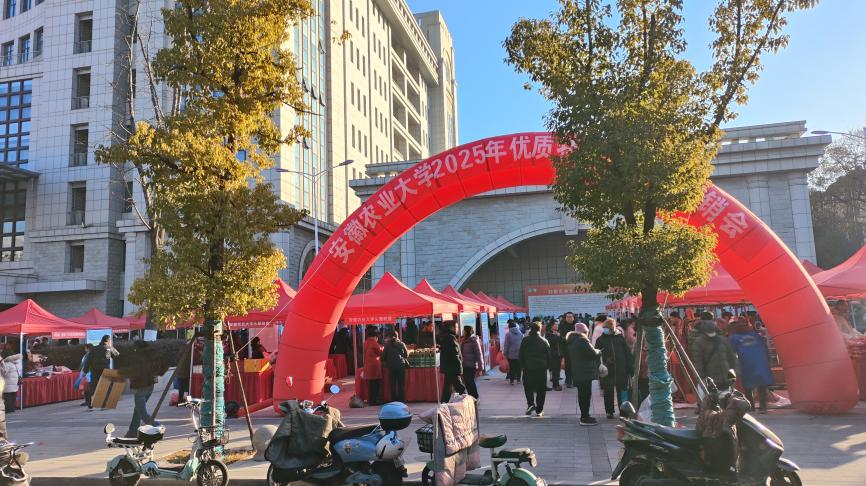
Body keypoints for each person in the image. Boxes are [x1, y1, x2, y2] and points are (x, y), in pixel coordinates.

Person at [120, 341, 166, 438]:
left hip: (141, 386)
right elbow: (163, 365)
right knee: (138, 410)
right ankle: (132, 432)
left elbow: (134, 370)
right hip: (150, 386)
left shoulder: (139, 356)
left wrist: (120, 373)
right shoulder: (152, 354)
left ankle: (158, 426)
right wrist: (158, 373)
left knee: (142, 413)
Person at [728, 319, 774, 413]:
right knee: (761, 385)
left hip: (746, 364)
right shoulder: (755, 335)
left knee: (748, 387)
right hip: (760, 362)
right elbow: (764, 348)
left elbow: (731, 352)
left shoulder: (734, 338)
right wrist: (768, 361)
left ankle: (750, 407)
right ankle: (763, 407)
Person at [595, 318, 633, 419]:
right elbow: (597, 354)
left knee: (623, 392)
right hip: (607, 370)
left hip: (621, 369)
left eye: (607, 328)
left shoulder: (620, 338)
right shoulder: (600, 340)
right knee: (608, 391)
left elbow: (627, 353)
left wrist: (630, 367)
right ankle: (609, 411)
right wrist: (600, 365)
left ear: (612, 328)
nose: (605, 330)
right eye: (604, 328)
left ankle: (623, 411)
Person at [689, 312, 739, 388]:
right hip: (721, 374)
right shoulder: (720, 336)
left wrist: (701, 378)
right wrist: (733, 380)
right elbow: (731, 360)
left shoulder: (695, 332)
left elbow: (697, 360)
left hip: (710, 376)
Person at [566, 323, 601, 426]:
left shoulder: (571, 340)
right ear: (584, 332)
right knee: (585, 395)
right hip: (585, 371)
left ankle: (584, 415)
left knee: (582, 395)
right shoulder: (582, 340)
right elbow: (593, 353)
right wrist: (598, 351)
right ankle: (585, 417)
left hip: (577, 371)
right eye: (587, 332)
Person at [519, 322, 551, 417]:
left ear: (530, 329)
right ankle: (539, 410)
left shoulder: (525, 340)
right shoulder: (544, 341)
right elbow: (549, 356)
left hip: (528, 368)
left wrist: (522, 366)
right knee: (541, 389)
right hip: (541, 368)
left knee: (528, 387)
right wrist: (547, 366)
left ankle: (531, 404)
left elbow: (521, 354)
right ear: (539, 329)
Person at [82, 335, 119, 410]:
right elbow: (116, 355)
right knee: (106, 387)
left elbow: (88, 361)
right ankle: (103, 405)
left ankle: (90, 405)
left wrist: (85, 371)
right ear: (107, 340)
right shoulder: (108, 348)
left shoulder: (94, 349)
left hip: (95, 370)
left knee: (93, 386)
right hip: (105, 370)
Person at [438, 322, 466, 403]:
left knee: (448, 388)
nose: (457, 329)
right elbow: (455, 354)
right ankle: (468, 401)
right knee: (460, 387)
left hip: (449, 367)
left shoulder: (447, 337)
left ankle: (443, 403)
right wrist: (459, 366)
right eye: (456, 327)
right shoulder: (450, 338)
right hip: (452, 367)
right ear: (452, 328)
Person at [382, 333, 409, 402]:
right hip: (401, 365)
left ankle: (393, 399)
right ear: (397, 336)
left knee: (392, 384)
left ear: (390, 337)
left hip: (391, 366)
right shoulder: (402, 344)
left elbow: (383, 356)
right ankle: (401, 399)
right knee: (401, 384)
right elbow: (406, 355)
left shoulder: (387, 345)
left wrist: (387, 361)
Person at [460, 325, 484, 399]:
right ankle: (471, 397)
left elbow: (479, 354)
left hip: (472, 365)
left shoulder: (474, 340)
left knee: (470, 382)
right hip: (464, 365)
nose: (462, 331)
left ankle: (475, 397)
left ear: (467, 331)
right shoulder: (463, 340)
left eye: (463, 330)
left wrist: (480, 367)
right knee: (467, 382)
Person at [362, 328, 384, 405]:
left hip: (367, 365)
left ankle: (371, 400)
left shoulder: (365, 343)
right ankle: (374, 400)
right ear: (375, 337)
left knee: (371, 384)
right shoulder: (374, 343)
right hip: (374, 366)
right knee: (375, 384)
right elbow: (380, 352)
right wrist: (382, 348)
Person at [559, 312, 577, 387]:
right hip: (566, 348)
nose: (569, 318)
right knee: (568, 366)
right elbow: (561, 337)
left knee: (575, 366)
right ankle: (568, 381)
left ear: (573, 317)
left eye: (570, 317)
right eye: (567, 317)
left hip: (576, 349)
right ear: (565, 318)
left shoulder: (577, 325)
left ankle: (575, 381)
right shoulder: (562, 325)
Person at [545, 320, 563, 391]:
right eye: (556, 324)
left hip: (559, 354)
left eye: (558, 324)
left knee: (557, 370)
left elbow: (563, 340)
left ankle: (556, 383)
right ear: (552, 326)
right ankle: (555, 385)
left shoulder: (558, 332)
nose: (557, 326)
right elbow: (553, 341)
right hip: (553, 354)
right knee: (555, 370)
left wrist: (558, 336)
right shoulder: (548, 334)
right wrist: (558, 336)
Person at [79, 343, 93, 407]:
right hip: (88, 372)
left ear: (87, 348)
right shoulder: (88, 354)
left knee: (87, 387)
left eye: (85, 348)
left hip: (87, 373)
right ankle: (88, 401)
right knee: (87, 387)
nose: (84, 349)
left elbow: (85, 364)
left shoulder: (88, 355)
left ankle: (88, 402)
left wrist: (83, 371)